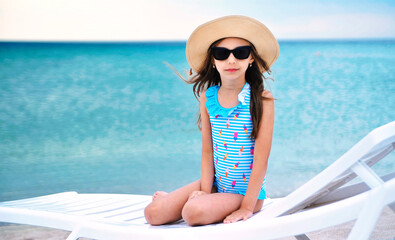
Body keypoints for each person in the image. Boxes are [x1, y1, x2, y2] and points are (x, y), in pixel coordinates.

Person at [144, 15, 279, 226]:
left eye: (241, 53)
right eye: (222, 54)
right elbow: (208, 151)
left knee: (192, 213)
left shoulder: (262, 100)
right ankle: (181, 201)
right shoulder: (208, 97)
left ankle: (198, 203)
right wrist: (204, 192)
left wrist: (246, 207)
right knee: (152, 214)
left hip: (247, 193)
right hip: (216, 184)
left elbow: (261, 160)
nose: (231, 60)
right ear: (213, 61)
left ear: (251, 58)